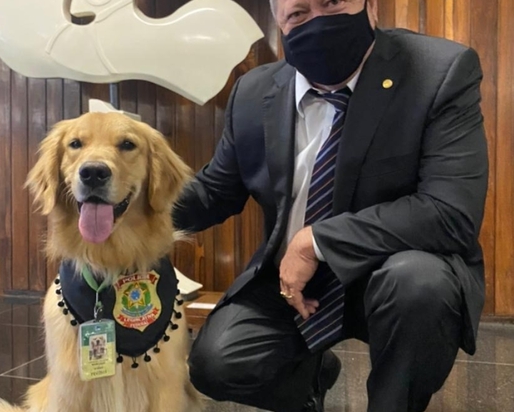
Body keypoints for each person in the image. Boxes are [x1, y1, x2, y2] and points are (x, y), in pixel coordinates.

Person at [173, 0, 488, 411]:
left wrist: (317, 241)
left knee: (419, 286)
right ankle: (311, 382)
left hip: (391, 272)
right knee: (216, 365)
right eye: (298, 13)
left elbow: (450, 213)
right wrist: (125, 207)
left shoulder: (437, 72)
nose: (317, 22)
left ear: (371, 7)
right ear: (280, 23)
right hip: (291, 282)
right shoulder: (254, 91)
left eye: (332, 3)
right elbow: (216, 192)